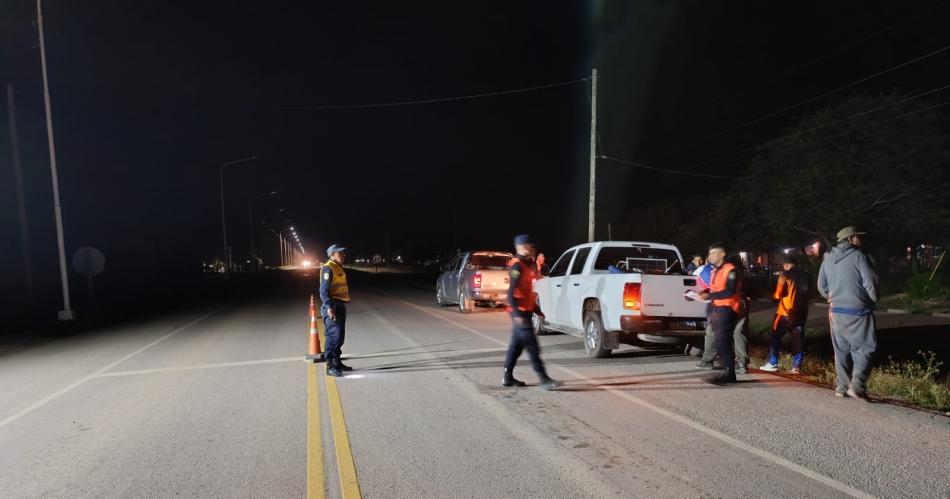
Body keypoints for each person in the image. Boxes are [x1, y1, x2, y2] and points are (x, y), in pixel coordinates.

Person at [818, 227, 878, 401]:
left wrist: (833, 296)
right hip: (858, 310)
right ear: (851, 239)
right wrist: (872, 299)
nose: (861, 240)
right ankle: (857, 386)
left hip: (835, 311)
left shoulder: (828, 260)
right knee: (865, 348)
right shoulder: (859, 257)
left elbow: (822, 287)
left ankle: (842, 387)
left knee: (841, 350)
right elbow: (870, 284)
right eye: (859, 237)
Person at [502, 234, 561, 390]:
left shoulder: (528, 265)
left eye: (533, 246)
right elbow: (511, 293)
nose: (533, 249)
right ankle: (544, 379)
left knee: (516, 346)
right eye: (529, 246)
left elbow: (528, 293)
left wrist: (538, 310)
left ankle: (507, 377)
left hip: (525, 311)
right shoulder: (517, 266)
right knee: (532, 346)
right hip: (519, 313)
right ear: (520, 247)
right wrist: (516, 314)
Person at [694, 256, 749, 374]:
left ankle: (708, 361)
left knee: (712, 331)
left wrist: (707, 295)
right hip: (741, 303)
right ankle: (741, 363)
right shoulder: (739, 272)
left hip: (723, 306)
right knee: (739, 332)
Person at [760, 255, 809, 374]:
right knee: (798, 339)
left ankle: (773, 363)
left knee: (775, 337)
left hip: (785, 312)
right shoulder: (806, 275)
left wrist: (774, 297)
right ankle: (796, 367)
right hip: (801, 312)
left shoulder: (785, 275)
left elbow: (778, 294)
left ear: (786, 265)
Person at [320, 244, 353, 377]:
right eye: (340, 253)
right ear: (332, 254)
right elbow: (323, 290)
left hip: (340, 305)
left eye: (344, 253)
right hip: (332, 306)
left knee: (339, 337)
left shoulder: (338, 267)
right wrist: (328, 307)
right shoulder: (328, 268)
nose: (343, 255)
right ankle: (330, 365)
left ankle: (337, 362)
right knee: (333, 337)